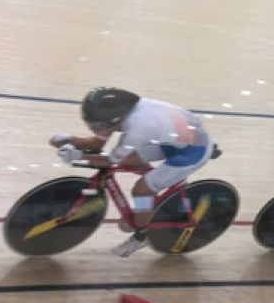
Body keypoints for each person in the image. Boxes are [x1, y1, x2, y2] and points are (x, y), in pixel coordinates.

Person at [50, 87, 212, 257]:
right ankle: (157, 189)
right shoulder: (119, 113)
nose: (93, 129)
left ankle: (141, 235)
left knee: (141, 190)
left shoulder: (138, 127)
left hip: (193, 152)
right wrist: (69, 140)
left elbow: (110, 160)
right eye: (90, 124)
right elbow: (96, 143)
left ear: (116, 119)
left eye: (96, 125)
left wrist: (78, 155)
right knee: (130, 159)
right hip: (173, 141)